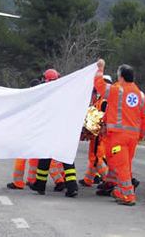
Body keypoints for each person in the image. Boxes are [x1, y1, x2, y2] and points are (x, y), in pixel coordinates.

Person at [92, 59, 145, 206]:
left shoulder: (116, 90)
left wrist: (100, 68)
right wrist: (140, 134)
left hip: (118, 136)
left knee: (121, 166)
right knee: (119, 163)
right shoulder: (141, 95)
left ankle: (128, 196)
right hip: (131, 137)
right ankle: (112, 185)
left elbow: (99, 85)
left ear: (121, 77)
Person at [31, 69, 79, 197]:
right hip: (65, 129)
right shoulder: (66, 92)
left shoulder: (45, 93)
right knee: (67, 157)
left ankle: (40, 185)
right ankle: (72, 186)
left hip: (49, 129)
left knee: (45, 157)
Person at [80, 75, 112, 187]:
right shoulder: (101, 99)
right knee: (93, 157)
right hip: (98, 133)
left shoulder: (104, 101)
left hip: (100, 134)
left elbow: (102, 118)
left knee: (97, 159)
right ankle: (88, 179)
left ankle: (109, 182)